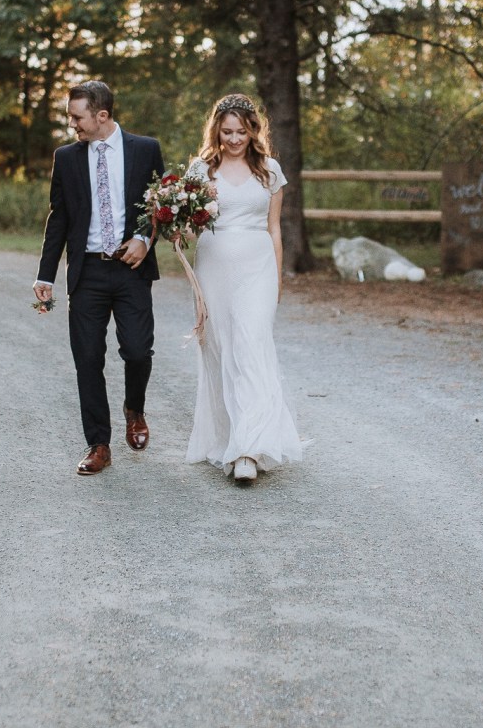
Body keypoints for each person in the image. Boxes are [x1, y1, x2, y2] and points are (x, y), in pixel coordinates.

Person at [34, 81, 165, 476]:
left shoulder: (146, 149)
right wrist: (46, 275)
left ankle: (134, 409)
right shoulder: (67, 157)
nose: (72, 123)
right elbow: (59, 219)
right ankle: (99, 443)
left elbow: (161, 205)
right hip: (87, 271)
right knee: (88, 358)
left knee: (139, 351)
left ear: (101, 115)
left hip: (131, 268)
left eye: (77, 117)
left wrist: (144, 239)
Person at [185, 93, 303, 483]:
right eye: (227, 131)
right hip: (213, 267)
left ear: (254, 130)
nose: (234, 139)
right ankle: (230, 438)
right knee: (221, 349)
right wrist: (175, 221)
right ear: (217, 130)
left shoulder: (270, 170)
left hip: (258, 268)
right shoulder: (201, 171)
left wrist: (278, 278)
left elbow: (274, 228)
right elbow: (190, 228)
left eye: (241, 131)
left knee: (251, 347)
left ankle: (249, 449)